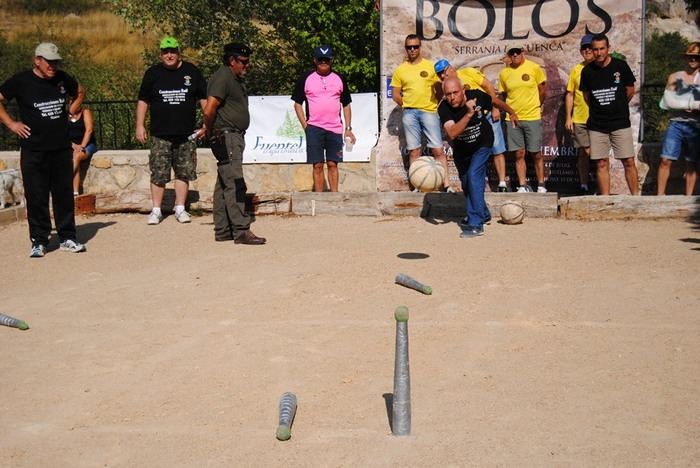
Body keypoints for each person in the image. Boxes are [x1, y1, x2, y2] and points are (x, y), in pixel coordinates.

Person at [0, 42, 87, 257]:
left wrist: (71, 110)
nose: (53, 66)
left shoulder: (62, 78)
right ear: (37, 60)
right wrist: (12, 124)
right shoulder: (21, 81)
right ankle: (39, 240)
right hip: (33, 149)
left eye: (56, 62)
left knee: (63, 194)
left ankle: (68, 236)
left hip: (60, 147)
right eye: (49, 61)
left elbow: (79, 91)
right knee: (36, 195)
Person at [136, 36, 207, 225]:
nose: (169, 55)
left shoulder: (192, 71)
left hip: (186, 133)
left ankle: (180, 208)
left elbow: (203, 99)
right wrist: (139, 124)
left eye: (172, 51)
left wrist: (208, 122)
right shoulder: (153, 73)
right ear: (161, 54)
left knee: (183, 172)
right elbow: (143, 100)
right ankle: (157, 210)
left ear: (178, 51)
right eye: (165, 52)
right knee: (158, 173)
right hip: (160, 133)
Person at [202, 42, 265, 245]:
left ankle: (223, 229)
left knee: (223, 182)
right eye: (243, 62)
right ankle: (241, 230)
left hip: (229, 135)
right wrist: (210, 129)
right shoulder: (223, 77)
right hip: (227, 135)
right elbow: (209, 109)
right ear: (232, 60)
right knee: (235, 183)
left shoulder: (231, 77)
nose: (247, 65)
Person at [434, 59, 518, 192]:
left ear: (450, 67)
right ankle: (479, 184)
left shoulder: (468, 72)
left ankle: (502, 183)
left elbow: (488, 87)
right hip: (469, 120)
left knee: (497, 148)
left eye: (443, 72)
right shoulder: (446, 87)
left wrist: (495, 109)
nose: (442, 76)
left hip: (486, 113)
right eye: (439, 75)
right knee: (474, 153)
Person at [579, 34, 640, 195]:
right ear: (591, 51)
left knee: (628, 161)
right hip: (597, 124)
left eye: (602, 49)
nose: (599, 53)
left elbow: (630, 90)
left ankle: (636, 198)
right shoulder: (587, 71)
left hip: (620, 122)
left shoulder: (620, 66)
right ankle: (605, 200)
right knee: (601, 163)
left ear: (608, 48)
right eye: (595, 50)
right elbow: (587, 97)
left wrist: (617, 105)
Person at [390, 34, 452, 192]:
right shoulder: (400, 70)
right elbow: (396, 94)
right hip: (410, 113)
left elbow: (439, 90)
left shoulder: (430, 66)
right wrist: (407, 105)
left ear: (420, 47)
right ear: (406, 49)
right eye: (409, 47)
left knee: (438, 150)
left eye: (415, 47)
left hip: (429, 112)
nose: (412, 50)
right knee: (414, 151)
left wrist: (438, 104)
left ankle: (446, 185)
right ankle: (416, 186)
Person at [292, 45, 355, 192]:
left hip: (334, 129)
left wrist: (348, 128)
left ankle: (335, 199)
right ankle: (319, 201)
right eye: (320, 59)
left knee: (333, 164)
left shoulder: (339, 78)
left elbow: (346, 105)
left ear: (331, 60)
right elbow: (297, 104)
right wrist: (306, 127)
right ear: (315, 60)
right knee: (318, 165)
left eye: (326, 59)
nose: (323, 62)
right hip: (314, 128)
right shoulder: (305, 78)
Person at [438, 76, 493, 238]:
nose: (452, 97)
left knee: (474, 175)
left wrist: (509, 111)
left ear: (463, 91)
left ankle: (476, 224)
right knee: (466, 182)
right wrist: (469, 114)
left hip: (483, 142)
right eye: (448, 94)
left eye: (455, 92)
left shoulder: (477, 95)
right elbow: (452, 133)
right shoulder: (444, 109)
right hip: (462, 148)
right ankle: (483, 213)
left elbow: (493, 102)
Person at [498, 45, 548, 193]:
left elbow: (543, 90)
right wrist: (508, 111)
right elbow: (503, 96)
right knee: (519, 153)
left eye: (517, 53)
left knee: (536, 153)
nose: (515, 55)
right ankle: (522, 184)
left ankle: (541, 184)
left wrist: (537, 105)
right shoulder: (504, 73)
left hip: (532, 116)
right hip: (513, 119)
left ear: (522, 53)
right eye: (511, 53)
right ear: (508, 55)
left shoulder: (534, 68)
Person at [657, 42, 700, 196]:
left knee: (691, 163)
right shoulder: (675, 76)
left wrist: (691, 105)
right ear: (686, 57)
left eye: (696, 56)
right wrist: (690, 104)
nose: (693, 59)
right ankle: (659, 197)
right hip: (676, 123)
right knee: (665, 160)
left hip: (696, 125)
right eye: (690, 56)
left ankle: (688, 198)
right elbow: (667, 102)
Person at [565, 34, 596, 195]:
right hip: (580, 118)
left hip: (599, 119)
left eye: (590, 47)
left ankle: (599, 185)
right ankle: (584, 185)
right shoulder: (577, 69)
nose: (587, 50)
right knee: (583, 154)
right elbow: (570, 94)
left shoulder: (601, 68)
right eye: (584, 48)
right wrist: (568, 117)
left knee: (599, 155)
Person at [68, 103, 97, 195]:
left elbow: (89, 130)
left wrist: (82, 146)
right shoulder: (65, 115)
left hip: (87, 145)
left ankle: (64, 179)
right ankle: (75, 193)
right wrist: (72, 145)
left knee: (76, 156)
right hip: (71, 146)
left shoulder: (85, 112)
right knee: (74, 158)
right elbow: (61, 133)